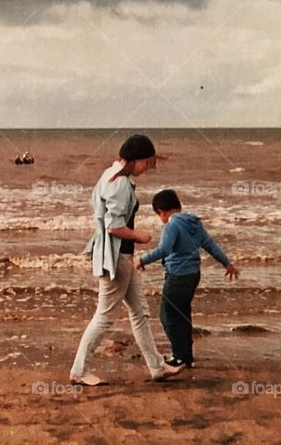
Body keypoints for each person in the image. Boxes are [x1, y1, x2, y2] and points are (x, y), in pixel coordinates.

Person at [69, 134, 180, 386]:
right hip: (116, 256)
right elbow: (114, 226)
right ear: (134, 159)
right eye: (146, 163)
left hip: (120, 256)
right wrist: (139, 236)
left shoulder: (111, 173)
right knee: (104, 316)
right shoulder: (120, 184)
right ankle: (78, 370)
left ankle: (157, 367)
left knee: (140, 312)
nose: (147, 169)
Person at [135, 189, 239, 369]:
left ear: (161, 212)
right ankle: (187, 356)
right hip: (193, 275)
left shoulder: (171, 226)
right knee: (182, 314)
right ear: (179, 206)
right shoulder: (194, 223)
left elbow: (164, 249)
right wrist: (227, 264)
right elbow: (210, 245)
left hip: (177, 276)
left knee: (167, 316)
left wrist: (142, 260)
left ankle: (179, 356)